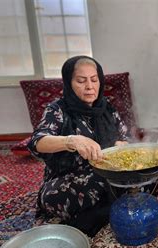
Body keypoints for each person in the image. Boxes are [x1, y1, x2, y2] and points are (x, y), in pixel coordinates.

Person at [28, 55, 131, 236]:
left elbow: (125, 139)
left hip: (108, 171)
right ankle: (109, 210)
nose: (90, 86)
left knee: (149, 174)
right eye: (81, 81)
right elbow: (37, 142)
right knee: (55, 197)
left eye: (94, 80)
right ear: (69, 83)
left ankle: (99, 213)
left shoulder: (108, 109)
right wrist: (72, 140)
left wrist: (121, 145)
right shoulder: (57, 110)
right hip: (69, 178)